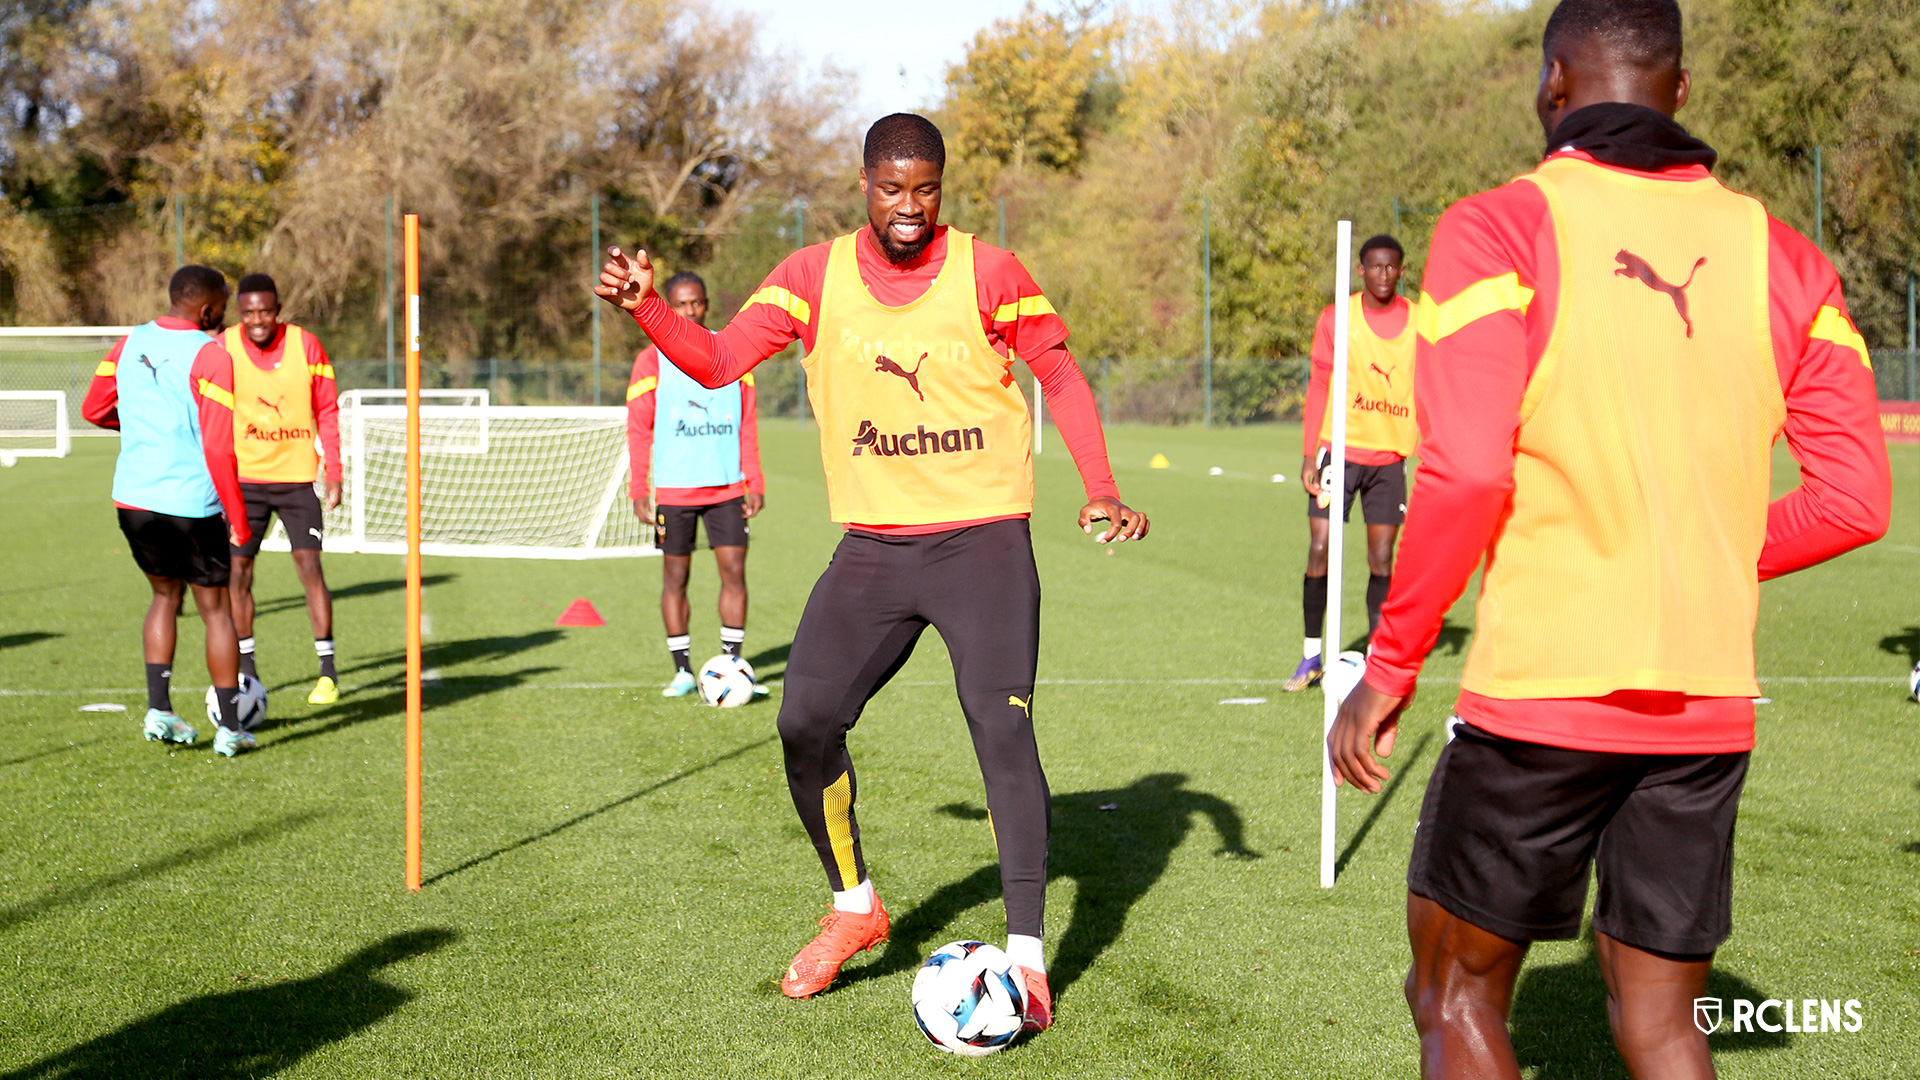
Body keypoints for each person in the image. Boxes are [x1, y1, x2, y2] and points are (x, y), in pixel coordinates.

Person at [1326, 2, 1890, 1077]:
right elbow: (1859, 497)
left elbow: (1470, 470)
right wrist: (1697, 549)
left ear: (1551, 85)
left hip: (1543, 692)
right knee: (1662, 1024)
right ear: (1681, 92)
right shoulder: (1784, 256)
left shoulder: (1501, 226)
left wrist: (1390, 663)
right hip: (1708, 708)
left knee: (1451, 996)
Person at [596, 113, 1149, 1031]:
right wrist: (645, 311)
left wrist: (1099, 486)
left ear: (942, 187)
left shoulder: (992, 272)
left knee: (999, 729)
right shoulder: (812, 278)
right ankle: (855, 906)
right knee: (804, 720)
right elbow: (721, 358)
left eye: (924, 189)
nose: (908, 207)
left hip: (983, 544)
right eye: (891, 188)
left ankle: (1026, 962)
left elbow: (1057, 366)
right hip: (875, 549)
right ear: (864, 185)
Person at [82, 265, 259, 756]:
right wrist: (238, 518)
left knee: (164, 598)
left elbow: (94, 409)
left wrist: (144, 432)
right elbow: (220, 449)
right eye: (223, 305)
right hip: (191, 503)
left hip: (134, 498)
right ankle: (229, 727)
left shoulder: (127, 342)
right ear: (207, 309)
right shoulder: (211, 354)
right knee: (216, 610)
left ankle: (159, 709)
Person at [625, 270, 765, 697]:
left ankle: (733, 665)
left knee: (734, 572)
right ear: (668, 305)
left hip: (725, 489)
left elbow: (746, 424)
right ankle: (683, 671)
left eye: (697, 302)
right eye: (681, 304)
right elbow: (639, 429)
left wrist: (753, 480)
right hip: (674, 491)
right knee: (675, 576)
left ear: (705, 303)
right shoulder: (650, 360)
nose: (690, 310)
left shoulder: (731, 352)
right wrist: (638, 488)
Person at [1286, 235, 1416, 693]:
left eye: (1391, 268)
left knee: (1381, 558)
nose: (1383, 275)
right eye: (1375, 267)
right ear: (1360, 270)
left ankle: (1378, 666)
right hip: (1336, 452)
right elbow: (1319, 383)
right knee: (1319, 546)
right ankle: (1310, 656)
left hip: (1388, 458)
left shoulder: (1419, 322)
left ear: (1401, 271)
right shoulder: (1336, 318)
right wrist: (1308, 452)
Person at [219, 273, 344, 705]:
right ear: (239, 312)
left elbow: (327, 408)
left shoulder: (306, 345)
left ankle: (327, 672)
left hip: (295, 480)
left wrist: (335, 470)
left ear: (278, 309)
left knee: (310, 570)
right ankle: (247, 671)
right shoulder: (223, 347)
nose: (258, 319)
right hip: (244, 483)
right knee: (238, 573)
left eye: (265, 311)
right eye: (249, 311)